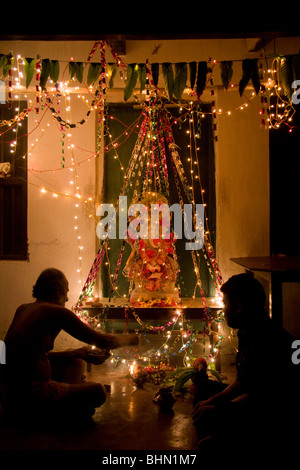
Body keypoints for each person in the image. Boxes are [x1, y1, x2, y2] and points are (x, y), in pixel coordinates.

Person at [0, 268, 139, 424]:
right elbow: (102, 341)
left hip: (7, 394)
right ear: (58, 290)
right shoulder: (55, 311)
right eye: (66, 292)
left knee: (76, 359)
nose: (66, 298)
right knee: (98, 391)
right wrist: (131, 339)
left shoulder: (23, 308)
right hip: (29, 395)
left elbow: (22, 356)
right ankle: (62, 410)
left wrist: (75, 353)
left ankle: (69, 403)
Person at [192, 273, 300, 454]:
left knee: (211, 415)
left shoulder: (267, 340)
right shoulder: (247, 329)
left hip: (272, 413)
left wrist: (219, 410)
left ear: (239, 306)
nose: (224, 309)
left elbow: (261, 399)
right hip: (256, 398)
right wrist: (213, 400)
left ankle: (228, 440)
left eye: (226, 304)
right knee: (203, 390)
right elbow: (242, 381)